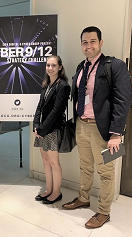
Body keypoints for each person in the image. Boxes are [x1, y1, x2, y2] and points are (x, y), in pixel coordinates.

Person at [62, 26, 131, 228]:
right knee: (85, 166)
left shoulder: (114, 66)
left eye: (92, 41)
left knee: (106, 171)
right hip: (82, 125)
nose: (88, 45)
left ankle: (104, 211)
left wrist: (117, 134)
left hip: (105, 131)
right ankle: (83, 198)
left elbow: (122, 101)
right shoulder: (81, 67)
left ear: (101, 43)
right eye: (85, 42)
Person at [33, 55, 70, 204]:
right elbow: (39, 107)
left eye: (53, 65)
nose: (50, 68)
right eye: (48, 65)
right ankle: (48, 189)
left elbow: (56, 111)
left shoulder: (63, 86)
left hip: (53, 129)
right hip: (42, 128)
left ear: (60, 67)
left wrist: (43, 129)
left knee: (54, 162)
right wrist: (36, 125)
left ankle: (56, 192)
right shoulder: (46, 85)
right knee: (45, 160)